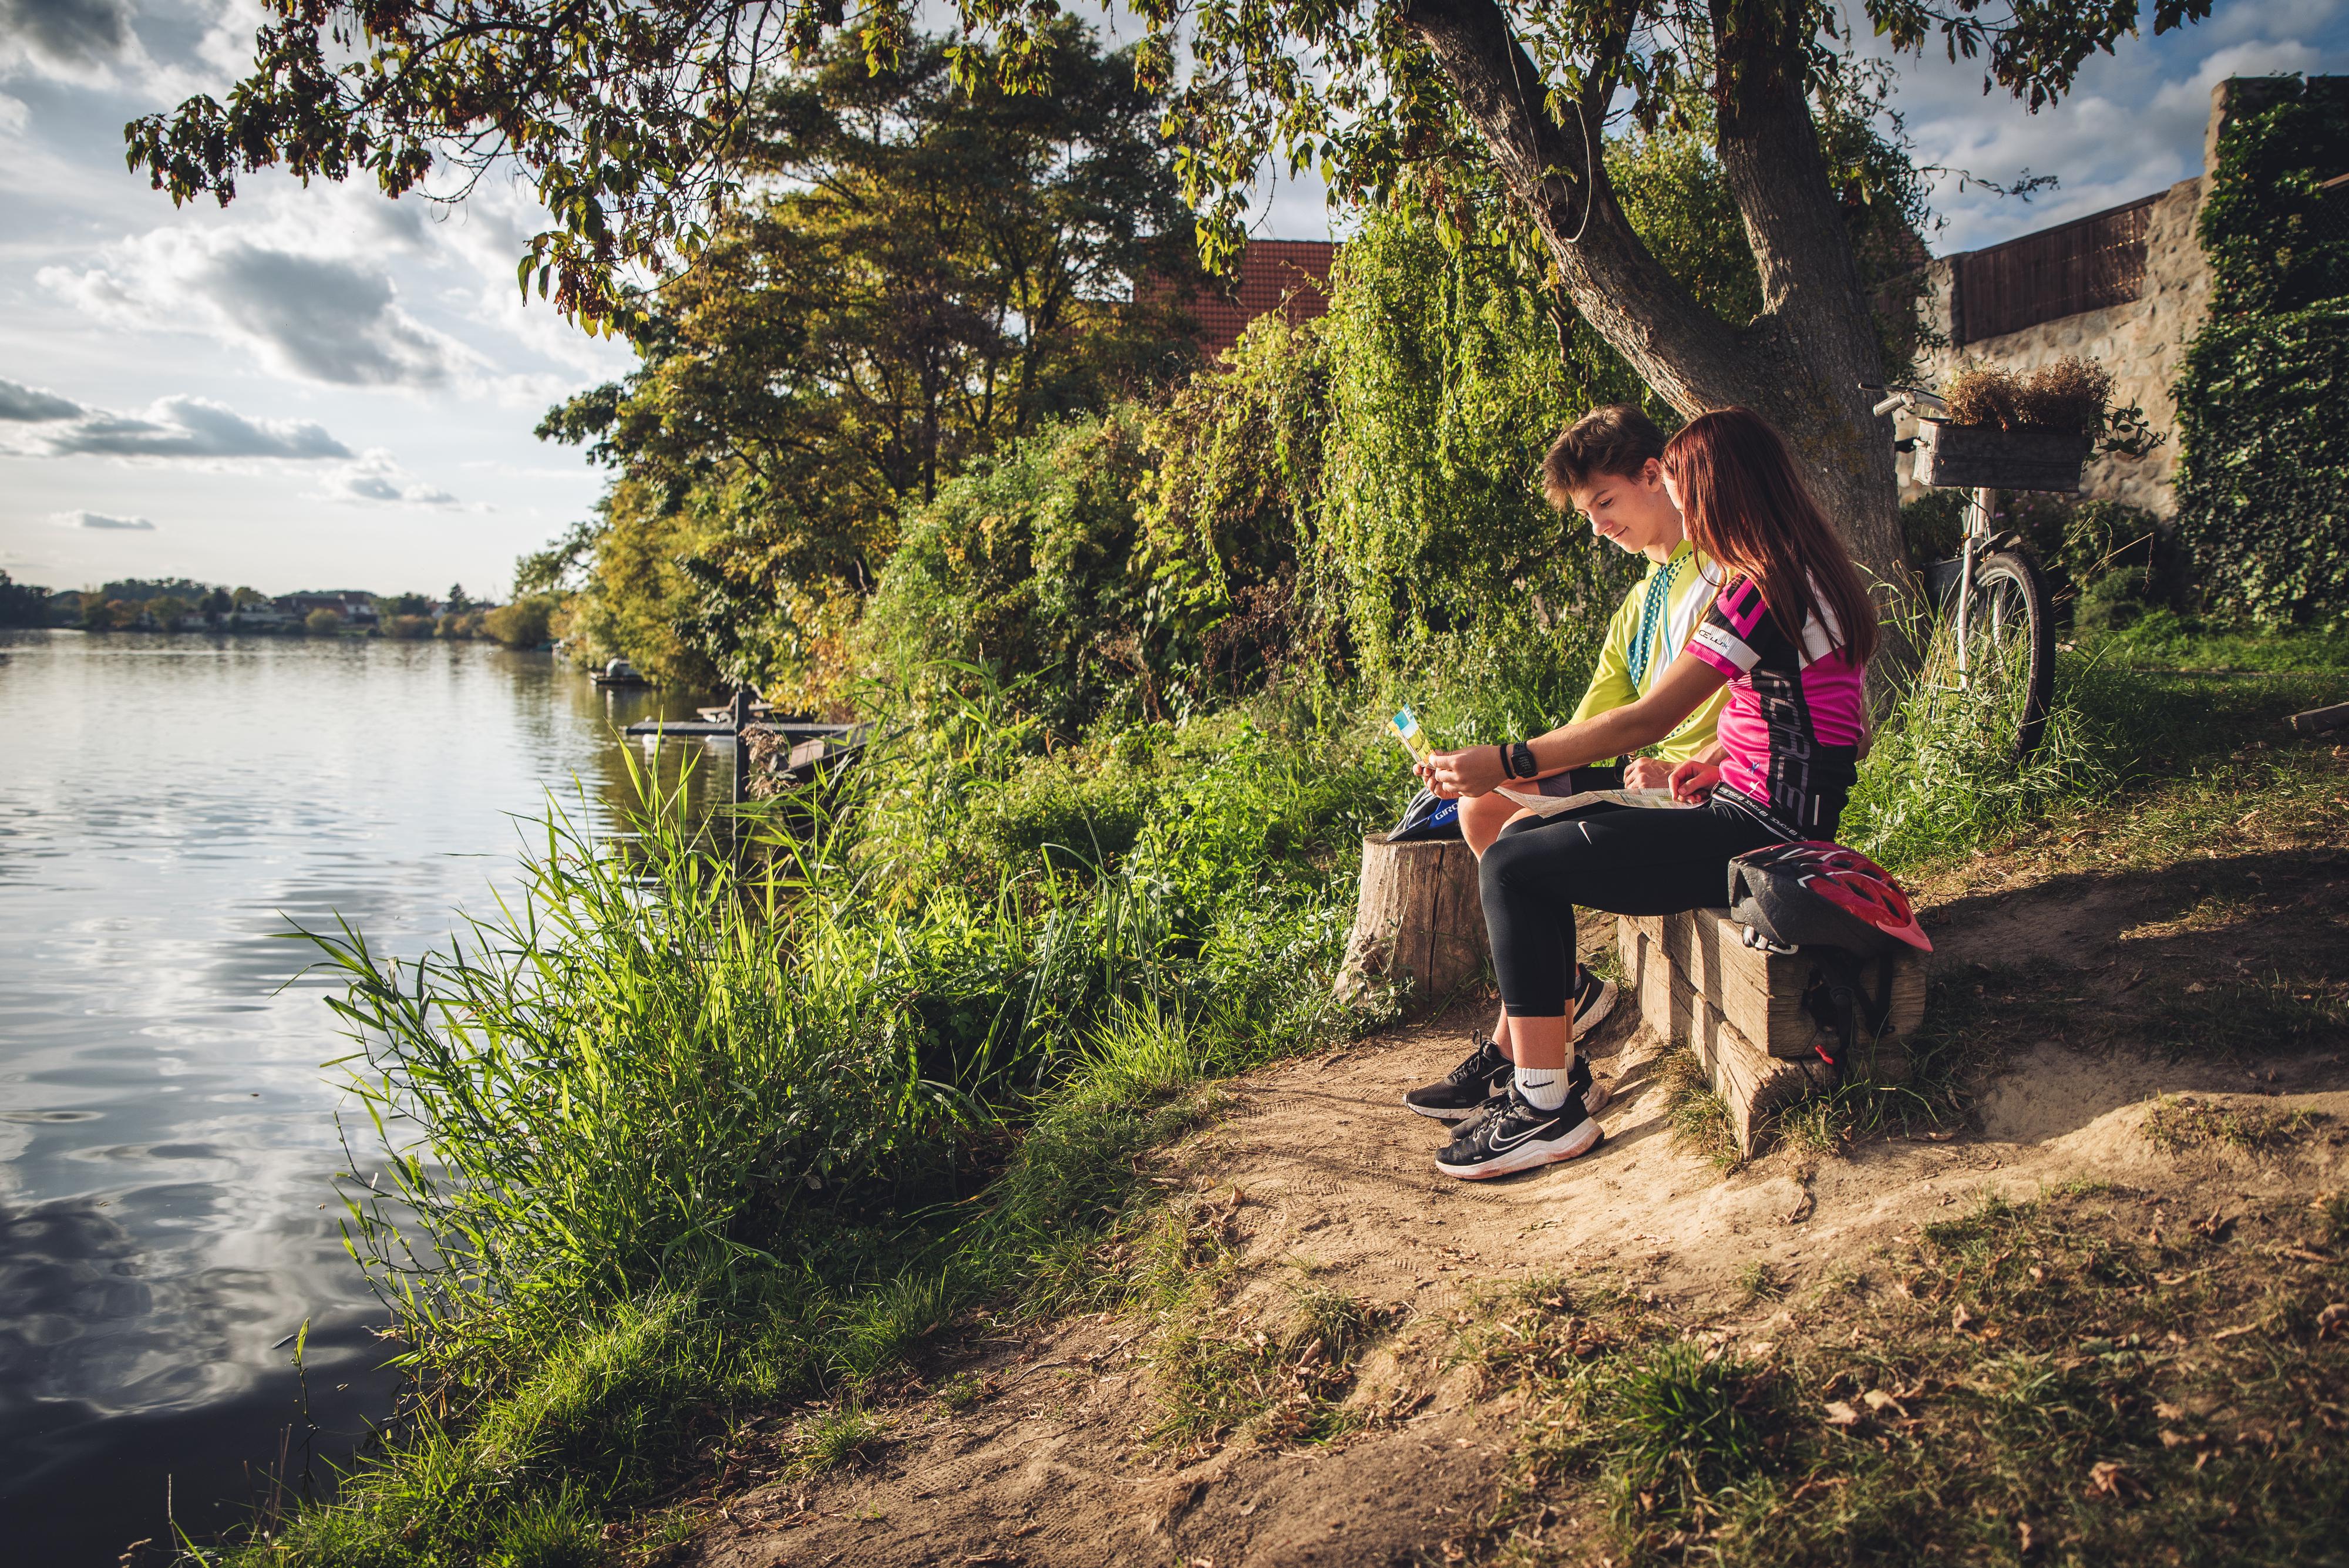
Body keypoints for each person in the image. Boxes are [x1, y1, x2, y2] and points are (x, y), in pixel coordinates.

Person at [1415, 406, 1880, 1179]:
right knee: (1523, 850)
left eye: (1685, 489)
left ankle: (1544, 1107)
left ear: (1722, 491)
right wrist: (1722, 766)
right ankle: (1545, 1075)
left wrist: (1504, 758)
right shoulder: (1805, 570)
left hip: (1757, 836)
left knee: (1514, 864)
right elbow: (1827, 729)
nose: (1684, 510)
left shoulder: (1759, 587)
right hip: (1760, 814)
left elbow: (1650, 717)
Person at [1402, 405, 1730, 1125]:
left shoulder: (1720, 569)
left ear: (1655, 476)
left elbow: (1761, 702)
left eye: (1604, 503)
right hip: (1646, 778)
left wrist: (1710, 756)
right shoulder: (1638, 603)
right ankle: (1560, 1003)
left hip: (1700, 790)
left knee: (1512, 847)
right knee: (1483, 806)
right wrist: (1489, 768)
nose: (1597, 526)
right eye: (1586, 513)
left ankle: (1528, 1050)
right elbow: (1592, 729)